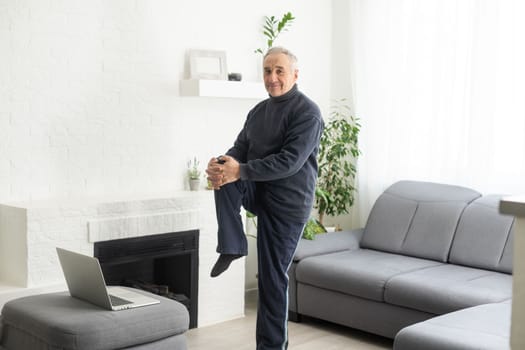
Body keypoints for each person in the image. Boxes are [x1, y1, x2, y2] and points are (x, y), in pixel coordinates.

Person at [206, 46, 324, 350]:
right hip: (259, 190)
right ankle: (232, 246)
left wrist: (239, 170)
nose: (272, 78)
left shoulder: (307, 112)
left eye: (279, 71)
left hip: (288, 204)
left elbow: (289, 162)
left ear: (295, 75)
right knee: (225, 173)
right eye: (267, 71)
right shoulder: (258, 111)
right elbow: (239, 151)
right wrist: (221, 163)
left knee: (272, 280)